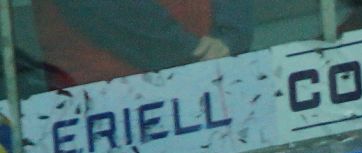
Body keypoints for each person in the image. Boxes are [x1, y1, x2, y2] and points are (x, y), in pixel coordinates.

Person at [30, 0, 253, 90]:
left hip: (207, 98)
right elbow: (113, 14)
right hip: (109, 118)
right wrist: (199, 54)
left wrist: (229, 37)